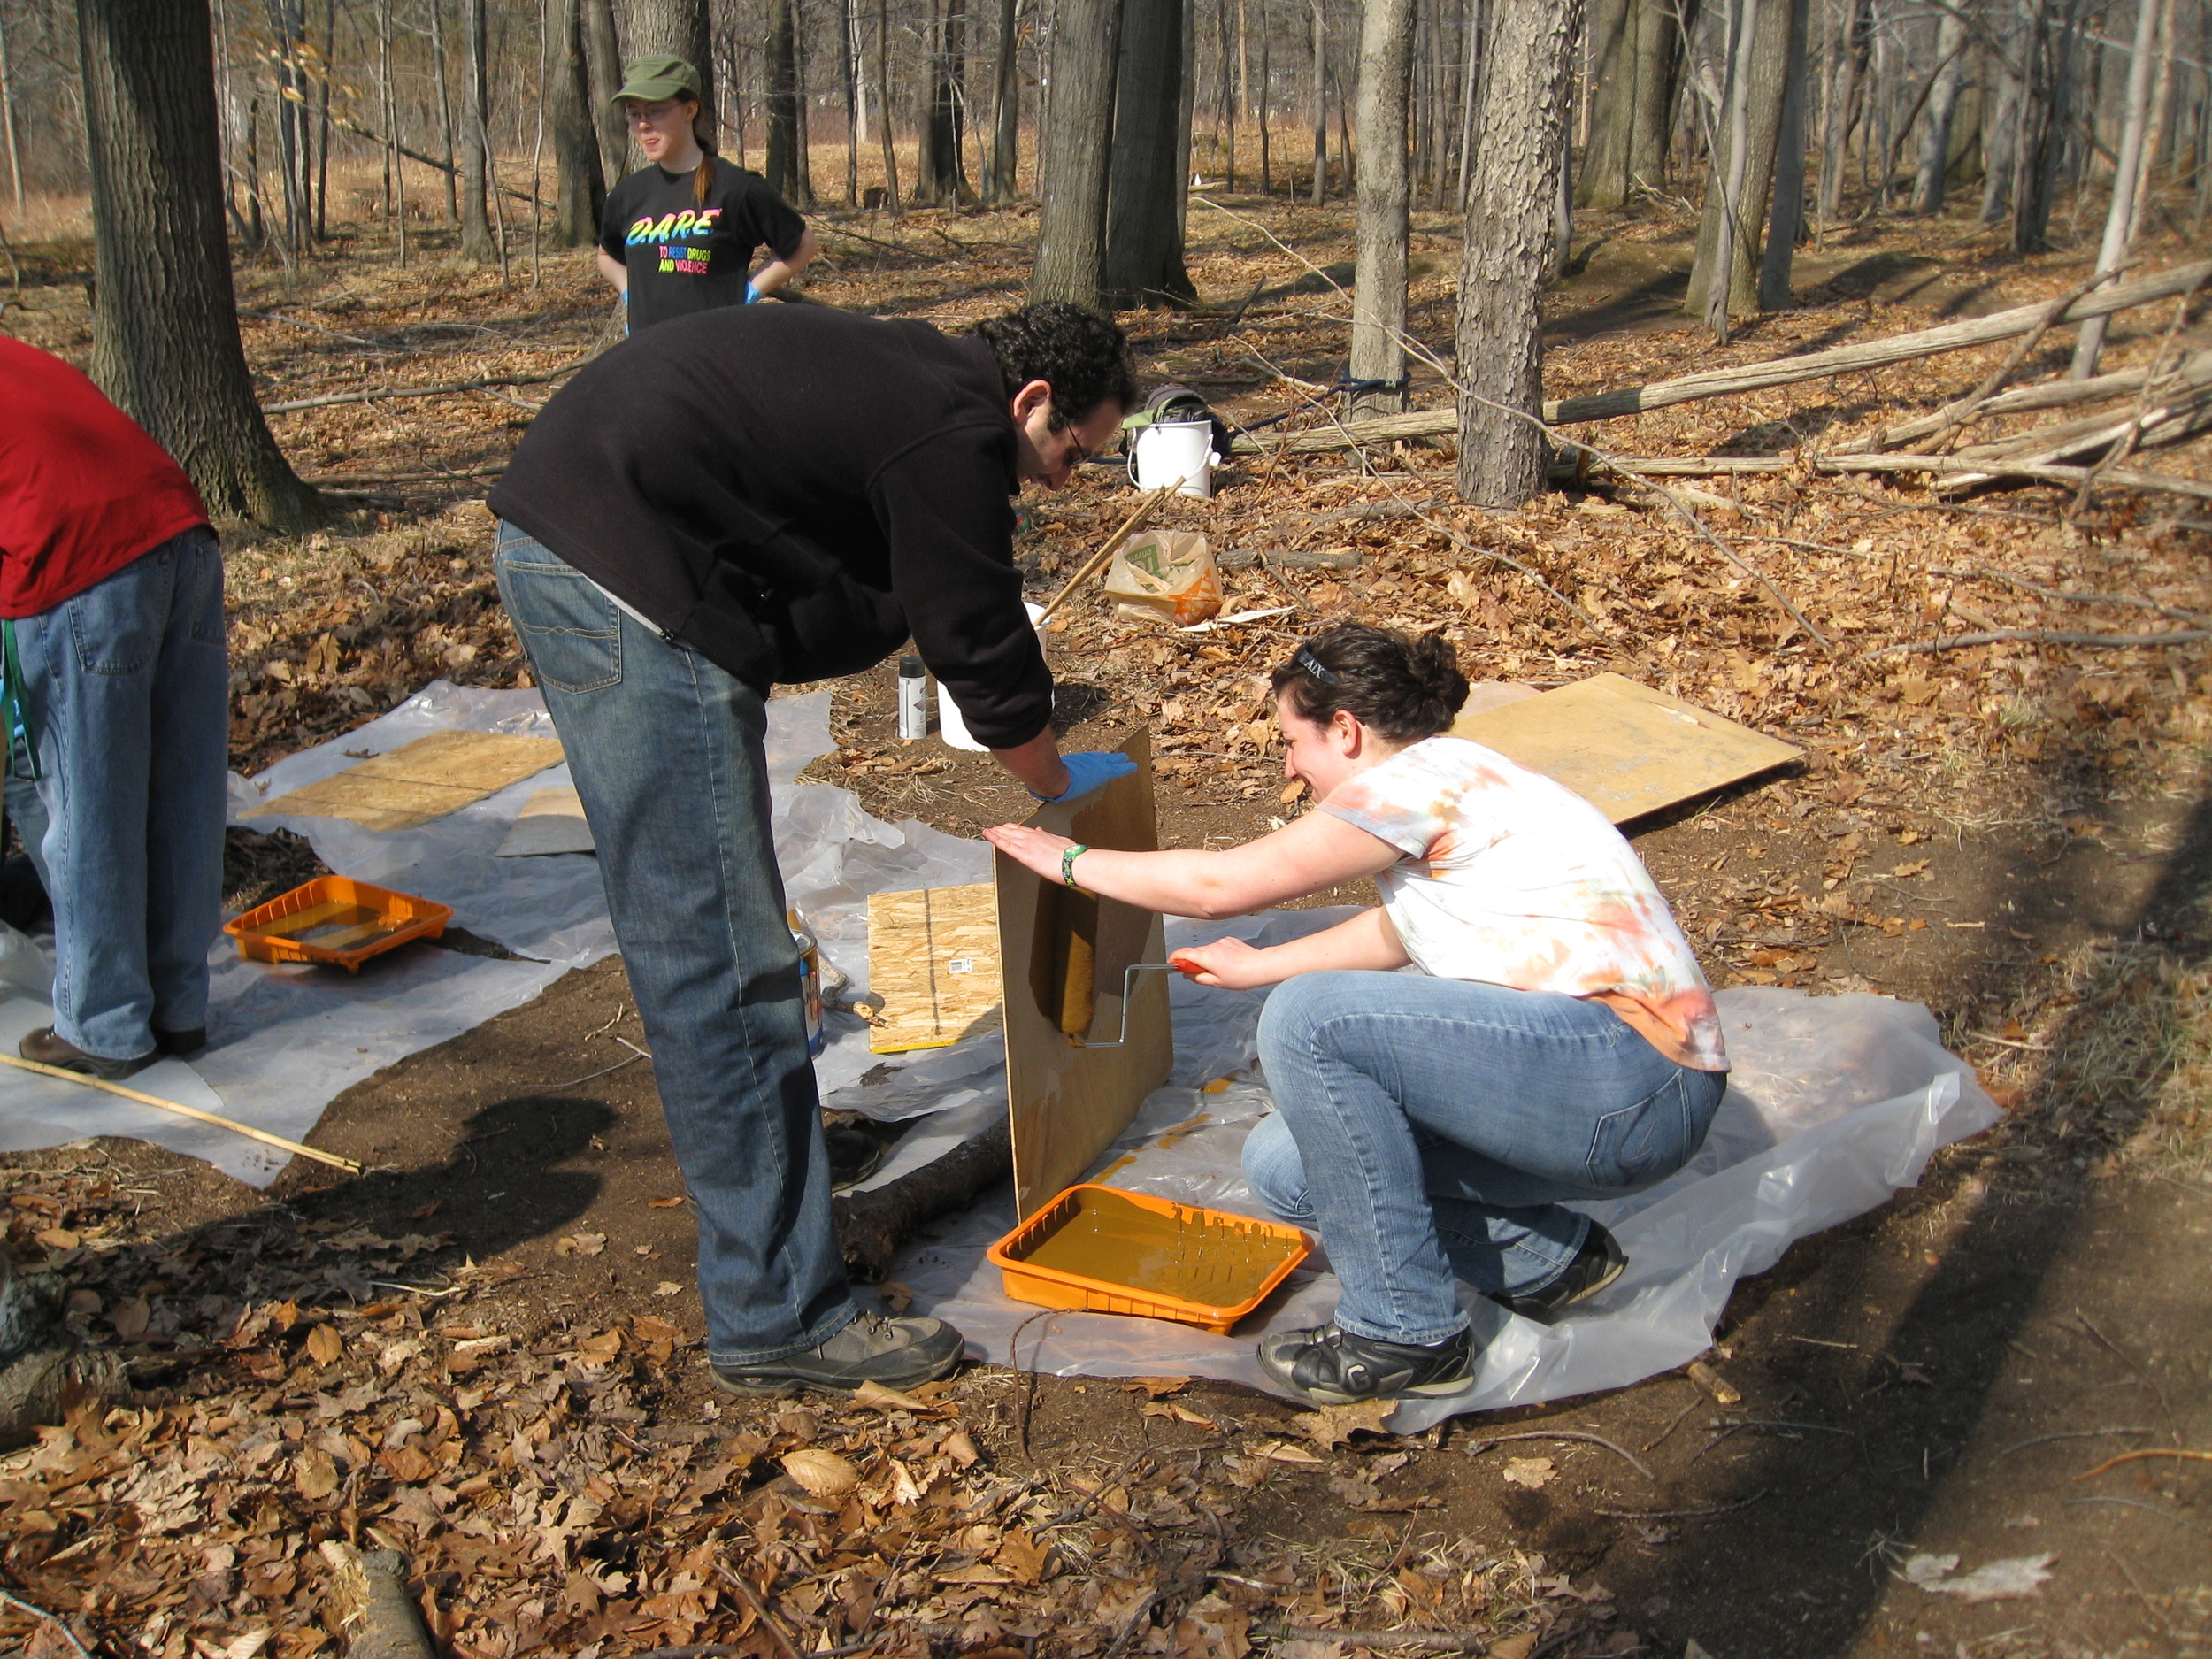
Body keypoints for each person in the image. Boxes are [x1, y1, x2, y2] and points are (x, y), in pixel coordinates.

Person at [487, 300, 1137, 1395]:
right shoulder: (952, 429)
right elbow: (973, 628)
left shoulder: (912, 386)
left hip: (598, 534)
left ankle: (771, 1193)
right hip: (620, 570)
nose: (1067, 479)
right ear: (1030, 403)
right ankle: (776, 1310)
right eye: (1073, 449)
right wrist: (1057, 784)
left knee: (726, 928)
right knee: (720, 956)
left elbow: (866, 575)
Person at [985, 625, 1730, 1406]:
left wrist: (1070, 862)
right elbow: (1402, 931)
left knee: (1308, 1020)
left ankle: (1406, 1331)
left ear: (1345, 730)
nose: (1288, 768)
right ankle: (1550, 1259)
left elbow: (1220, 886)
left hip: (1633, 1076)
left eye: (1292, 741)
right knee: (1287, 1167)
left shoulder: (1414, 783)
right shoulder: (1457, 780)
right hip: (1608, 1087)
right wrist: (1260, 964)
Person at [0, 341, 227, 1080]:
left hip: (81, 561)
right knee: (180, 786)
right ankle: (178, 1009)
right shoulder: (16, 359)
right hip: (180, 532)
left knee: (87, 795)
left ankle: (101, 1023)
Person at [595, 55, 820, 334]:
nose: (643, 125)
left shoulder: (736, 187)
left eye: (655, 111)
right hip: (647, 355)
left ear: (690, 110)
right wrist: (631, 293)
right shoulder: (628, 193)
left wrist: (750, 291)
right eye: (634, 114)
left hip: (715, 350)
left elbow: (803, 244)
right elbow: (606, 255)